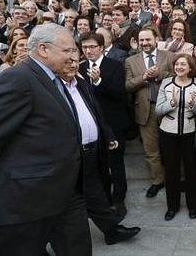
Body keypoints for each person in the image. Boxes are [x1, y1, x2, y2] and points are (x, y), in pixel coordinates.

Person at [0, 24, 92, 255]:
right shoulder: (18, 79)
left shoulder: (52, 79)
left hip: (65, 193)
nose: (74, 57)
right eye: (68, 50)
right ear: (43, 49)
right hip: (24, 199)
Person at [59, 51, 141, 245]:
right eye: (67, 62)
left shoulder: (80, 84)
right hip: (67, 153)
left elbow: (94, 112)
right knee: (64, 200)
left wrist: (108, 136)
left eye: (74, 62)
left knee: (95, 193)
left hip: (91, 149)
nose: (72, 66)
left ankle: (112, 230)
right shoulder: (52, 88)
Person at [78, 32, 131, 215]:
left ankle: (119, 200)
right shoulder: (80, 67)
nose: (88, 51)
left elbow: (119, 93)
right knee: (98, 165)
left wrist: (98, 81)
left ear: (101, 47)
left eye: (92, 47)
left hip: (113, 123)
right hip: (90, 125)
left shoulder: (115, 66)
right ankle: (105, 200)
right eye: (85, 47)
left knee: (116, 165)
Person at [125, 25, 174, 198]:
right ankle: (157, 180)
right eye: (142, 40)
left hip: (169, 109)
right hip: (145, 111)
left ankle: (175, 179)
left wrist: (159, 73)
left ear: (156, 40)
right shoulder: (131, 61)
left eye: (148, 39)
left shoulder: (169, 56)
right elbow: (128, 85)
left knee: (172, 147)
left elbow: (179, 75)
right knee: (151, 150)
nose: (145, 43)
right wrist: (144, 77)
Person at [155, 54, 196, 221]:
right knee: (171, 171)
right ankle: (172, 207)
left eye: (183, 64)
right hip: (168, 133)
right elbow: (158, 110)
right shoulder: (166, 83)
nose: (180, 67)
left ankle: (193, 206)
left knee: (192, 171)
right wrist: (171, 103)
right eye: (177, 64)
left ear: (190, 68)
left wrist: (193, 105)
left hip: (190, 133)